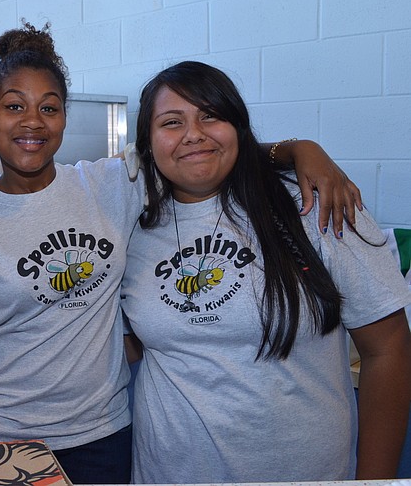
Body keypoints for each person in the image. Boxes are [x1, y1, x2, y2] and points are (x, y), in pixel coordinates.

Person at [0, 25, 361, 484]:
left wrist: (298, 149)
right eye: (14, 107)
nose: (33, 122)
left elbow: (204, 149)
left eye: (48, 108)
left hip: (106, 432)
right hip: (4, 440)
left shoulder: (113, 185)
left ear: (64, 117)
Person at [121, 61, 411, 483]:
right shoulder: (134, 221)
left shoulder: (313, 204)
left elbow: (389, 349)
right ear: (147, 143)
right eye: (171, 122)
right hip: (167, 474)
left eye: (211, 115)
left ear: (237, 126)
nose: (193, 133)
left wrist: (375, 482)